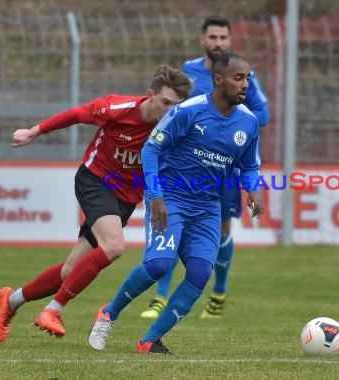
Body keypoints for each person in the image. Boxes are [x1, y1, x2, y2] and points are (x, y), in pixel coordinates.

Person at [0, 65, 192, 342]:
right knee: (114, 246)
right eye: (166, 103)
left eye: (176, 107)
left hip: (125, 198)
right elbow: (76, 115)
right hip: (96, 181)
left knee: (69, 272)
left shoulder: (175, 127)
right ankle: (53, 310)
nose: (170, 111)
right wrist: (33, 132)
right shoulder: (117, 108)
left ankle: (11, 300)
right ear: (150, 96)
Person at [88, 52, 264, 354]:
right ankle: (108, 314)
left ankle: (149, 340)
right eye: (239, 78)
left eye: (247, 78)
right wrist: (155, 195)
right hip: (171, 198)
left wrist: (254, 189)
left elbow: (249, 166)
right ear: (218, 80)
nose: (245, 84)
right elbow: (150, 150)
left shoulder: (248, 122)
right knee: (159, 264)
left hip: (208, 206)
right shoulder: (188, 111)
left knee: (199, 273)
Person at [140, 15, 269, 320]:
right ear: (203, 41)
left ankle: (219, 292)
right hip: (186, 164)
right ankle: (160, 296)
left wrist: (227, 128)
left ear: (230, 41)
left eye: (223, 38)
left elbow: (261, 113)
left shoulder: (242, 76)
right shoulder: (190, 70)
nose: (218, 43)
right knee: (173, 226)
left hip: (223, 165)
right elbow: (176, 107)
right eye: (213, 37)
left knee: (222, 228)